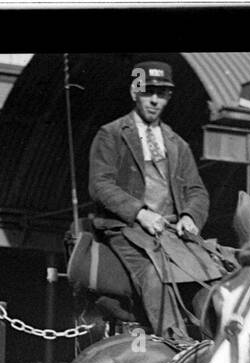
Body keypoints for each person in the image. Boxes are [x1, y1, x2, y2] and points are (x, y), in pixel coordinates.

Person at [88, 60, 210, 339]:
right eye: (148, 92)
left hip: (172, 232)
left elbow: (197, 191)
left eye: (162, 93)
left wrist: (190, 217)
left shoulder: (178, 144)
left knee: (212, 278)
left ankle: (215, 350)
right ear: (135, 92)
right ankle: (175, 348)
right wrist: (140, 213)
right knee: (155, 277)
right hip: (126, 229)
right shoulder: (112, 134)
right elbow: (100, 184)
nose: (155, 100)